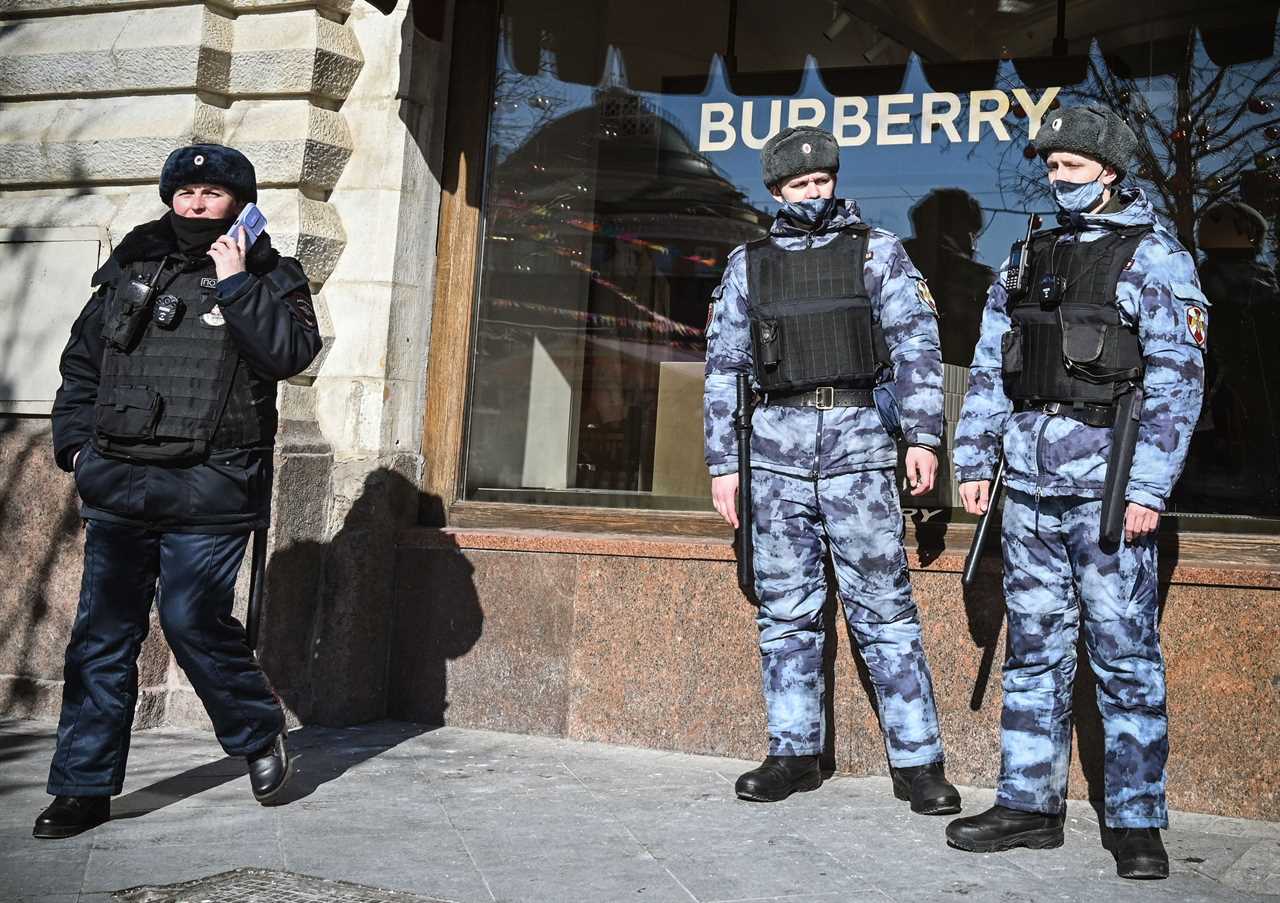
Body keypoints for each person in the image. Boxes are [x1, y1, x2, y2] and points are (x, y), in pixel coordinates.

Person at [945, 106, 1208, 879]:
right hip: (1026, 488)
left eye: (1070, 167)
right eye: (1051, 166)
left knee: (1124, 656)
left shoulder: (1155, 259)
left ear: (1111, 171)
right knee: (1033, 651)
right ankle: (1028, 802)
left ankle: (1135, 818)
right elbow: (993, 361)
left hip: (1108, 489)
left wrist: (1149, 487)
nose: (1056, 178)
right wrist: (974, 458)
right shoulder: (1030, 254)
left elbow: (1176, 381)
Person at [35, 144, 322, 839]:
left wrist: (234, 281)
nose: (195, 203)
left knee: (193, 619)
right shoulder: (131, 268)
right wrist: (76, 445)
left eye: (212, 193)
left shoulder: (271, 276)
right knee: (102, 637)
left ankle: (255, 731)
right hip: (120, 482)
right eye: (185, 191)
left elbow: (288, 354)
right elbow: (81, 363)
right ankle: (82, 786)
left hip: (211, 486)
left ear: (241, 204)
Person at [703, 126, 960, 814]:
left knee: (885, 611)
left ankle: (918, 762)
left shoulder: (876, 251)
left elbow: (915, 343)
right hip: (774, 455)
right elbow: (724, 368)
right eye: (799, 184)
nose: (813, 193)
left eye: (822, 181)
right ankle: (793, 751)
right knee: (787, 613)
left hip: (858, 447)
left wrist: (924, 436)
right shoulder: (748, 265)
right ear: (777, 190)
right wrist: (724, 463)